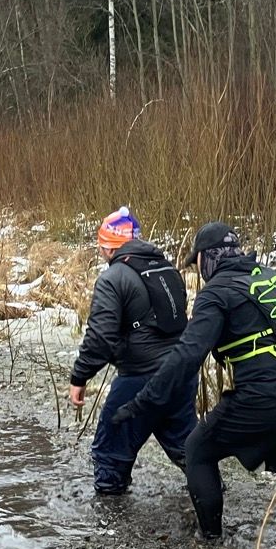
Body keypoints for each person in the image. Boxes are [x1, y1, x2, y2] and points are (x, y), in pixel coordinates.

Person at [113, 222, 276, 548]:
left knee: (197, 450)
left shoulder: (216, 293)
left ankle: (211, 544)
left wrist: (142, 402)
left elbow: (187, 356)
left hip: (267, 396)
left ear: (207, 258)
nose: (198, 271)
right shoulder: (275, 279)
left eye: (197, 263)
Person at [68, 207, 196, 496]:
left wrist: (80, 377)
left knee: (109, 454)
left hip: (140, 380)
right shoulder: (167, 269)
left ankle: (110, 516)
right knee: (189, 452)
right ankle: (214, 503)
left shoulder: (113, 278)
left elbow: (100, 337)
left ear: (108, 247)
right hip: (181, 375)